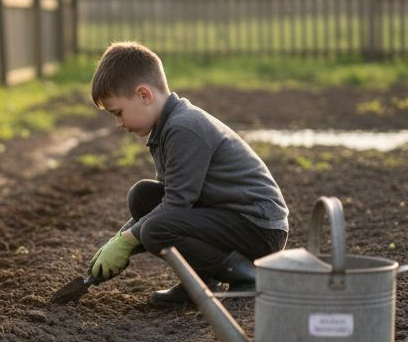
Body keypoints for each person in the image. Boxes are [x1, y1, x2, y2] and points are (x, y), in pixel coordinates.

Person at [85, 42, 288, 303]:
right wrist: (118, 240)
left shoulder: (184, 128)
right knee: (143, 196)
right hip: (229, 215)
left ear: (144, 95)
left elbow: (176, 205)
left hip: (259, 228)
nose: (118, 123)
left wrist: (126, 242)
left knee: (155, 229)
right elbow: (165, 200)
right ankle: (200, 280)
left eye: (119, 112)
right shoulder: (165, 127)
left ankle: (247, 275)